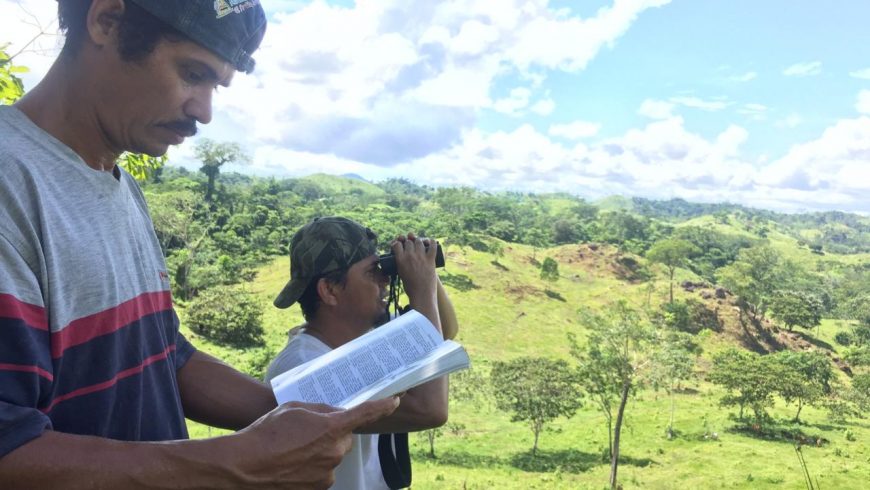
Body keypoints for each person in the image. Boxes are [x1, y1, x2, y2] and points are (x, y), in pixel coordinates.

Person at [0, 1, 398, 487]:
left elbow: (163, 353)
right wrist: (233, 464)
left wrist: (286, 415)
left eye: (216, 86)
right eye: (192, 73)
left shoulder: (121, 188)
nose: (203, 111)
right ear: (107, 20)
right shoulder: (10, 183)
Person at [266, 217, 459, 490]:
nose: (385, 279)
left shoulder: (357, 344)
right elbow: (430, 410)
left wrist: (426, 271)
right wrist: (421, 288)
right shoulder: (304, 367)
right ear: (330, 290)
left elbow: (445, 331)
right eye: (372, 272)